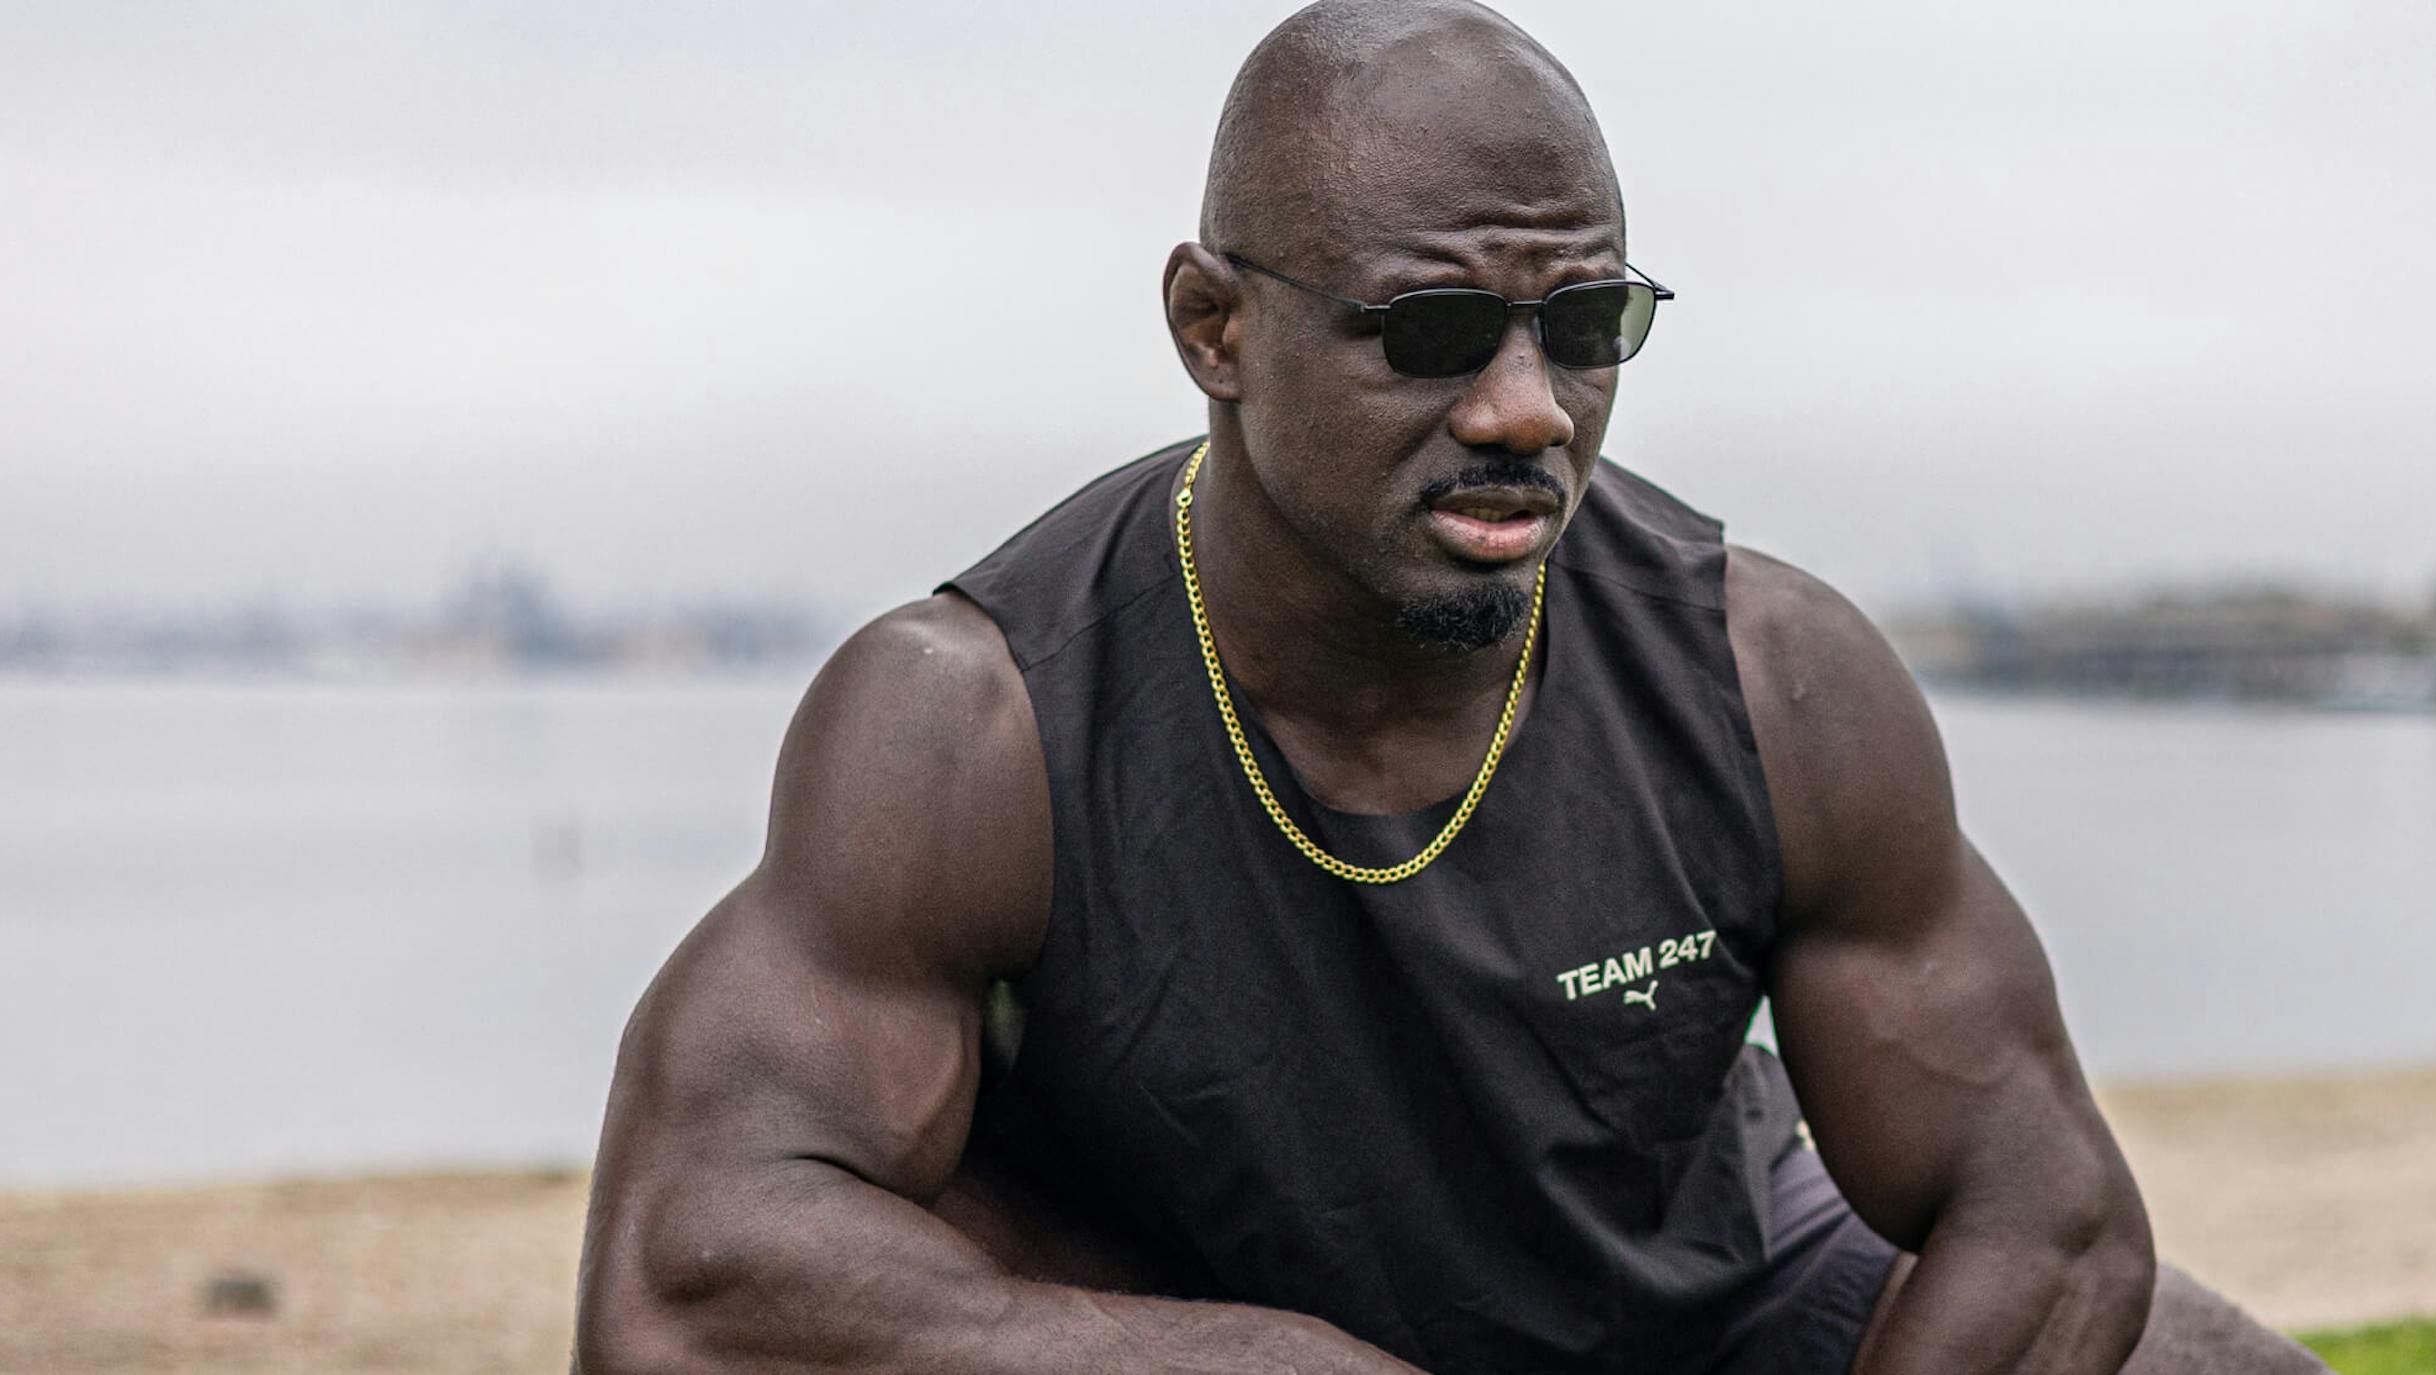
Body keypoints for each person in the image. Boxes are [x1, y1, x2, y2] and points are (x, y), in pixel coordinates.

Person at [574, 3, 2329, 1371]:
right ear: (1214, 327)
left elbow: (2047, 1209)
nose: (1525, 410)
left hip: (1706, 1307)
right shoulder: (969, 726)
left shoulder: (1774, 678)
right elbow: (691, 1282)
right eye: (1430, 333)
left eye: (1585, 328)